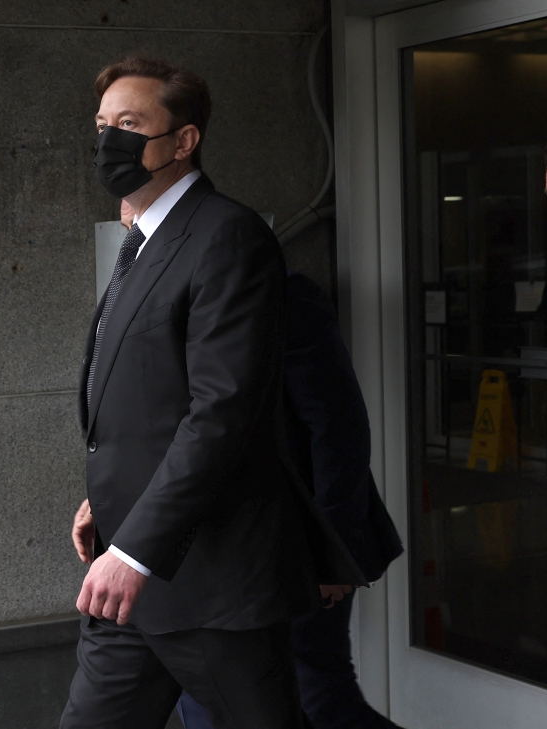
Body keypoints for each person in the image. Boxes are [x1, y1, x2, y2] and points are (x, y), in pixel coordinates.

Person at [62, 56, 362, 729]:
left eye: (129, 124)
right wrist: (111, 495)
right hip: (133, 581)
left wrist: (134, 549)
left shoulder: (226, 236)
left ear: (184, 139)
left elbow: (221, 412)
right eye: (102, 125)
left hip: (211, 585)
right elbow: (151, 401)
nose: (109, 141)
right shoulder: (145, 240)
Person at [172, 272, 405, 729]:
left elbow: (338, 428)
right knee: (207, 702)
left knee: (320, 700)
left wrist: (330, 554)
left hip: (293, 549)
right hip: (203, 554)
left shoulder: (282, 295)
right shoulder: (155, 292)